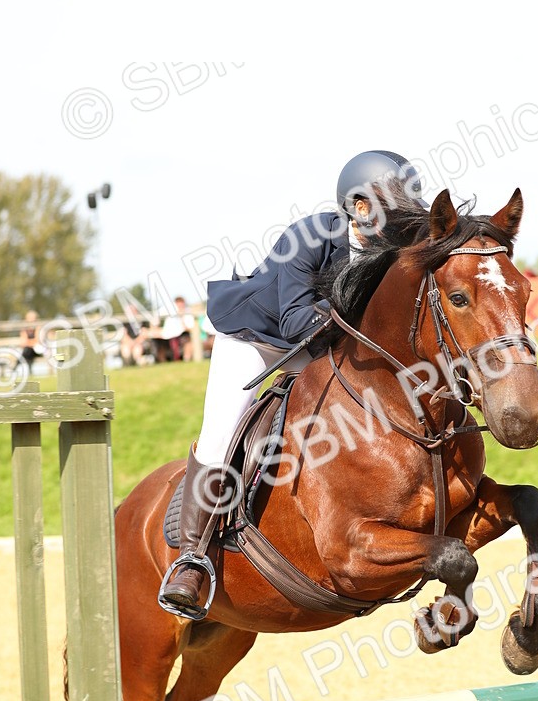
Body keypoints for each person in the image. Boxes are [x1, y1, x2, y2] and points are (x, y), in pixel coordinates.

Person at [159, 149, 425, 615]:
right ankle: (193, 559)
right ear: (359, 207)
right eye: (394, 207)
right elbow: (296, 317)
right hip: (259, 338)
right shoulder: (310, 235)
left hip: (323, 344)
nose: (405, 221)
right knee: (222, 433)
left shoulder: (391, 251)